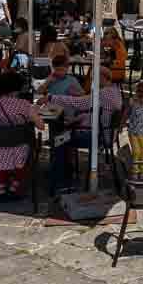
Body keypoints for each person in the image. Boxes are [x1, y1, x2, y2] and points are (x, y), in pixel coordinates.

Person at [45, 65, 122, 193]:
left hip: (97, 136)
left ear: (102, 78)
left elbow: (80, 103)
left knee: (59, 140)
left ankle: (60, 181)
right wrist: (80, 118)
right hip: (105, 133)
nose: (91, 82)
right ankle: (65, 173)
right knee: (64, 136)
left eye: (93, 78)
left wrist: (51, 98)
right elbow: (98, 113)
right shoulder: (115, 91)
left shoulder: (103, 93)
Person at [0, 70, 39, 198]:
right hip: (20, 150)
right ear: (18, 88)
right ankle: (15, 184)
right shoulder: (25, 105)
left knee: (0, 152)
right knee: (25, 149)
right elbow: (41, 125)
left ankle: (2, 185)